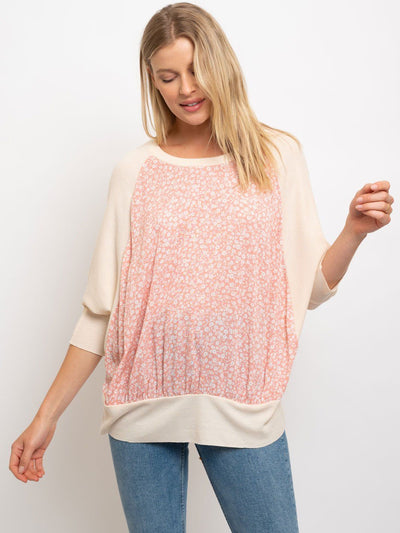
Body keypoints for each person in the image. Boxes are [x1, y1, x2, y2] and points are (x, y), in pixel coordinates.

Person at [9, 2, 394, 532]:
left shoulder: (275, 157)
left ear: (222, 65)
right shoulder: (136, 171)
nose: (186, 89)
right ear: (152, 80)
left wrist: (354, 230)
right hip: (140, 407)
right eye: (168, 76)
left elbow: (310, 287)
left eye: (197, 70)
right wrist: (44, 418)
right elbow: (101, 313)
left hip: (243, 405)